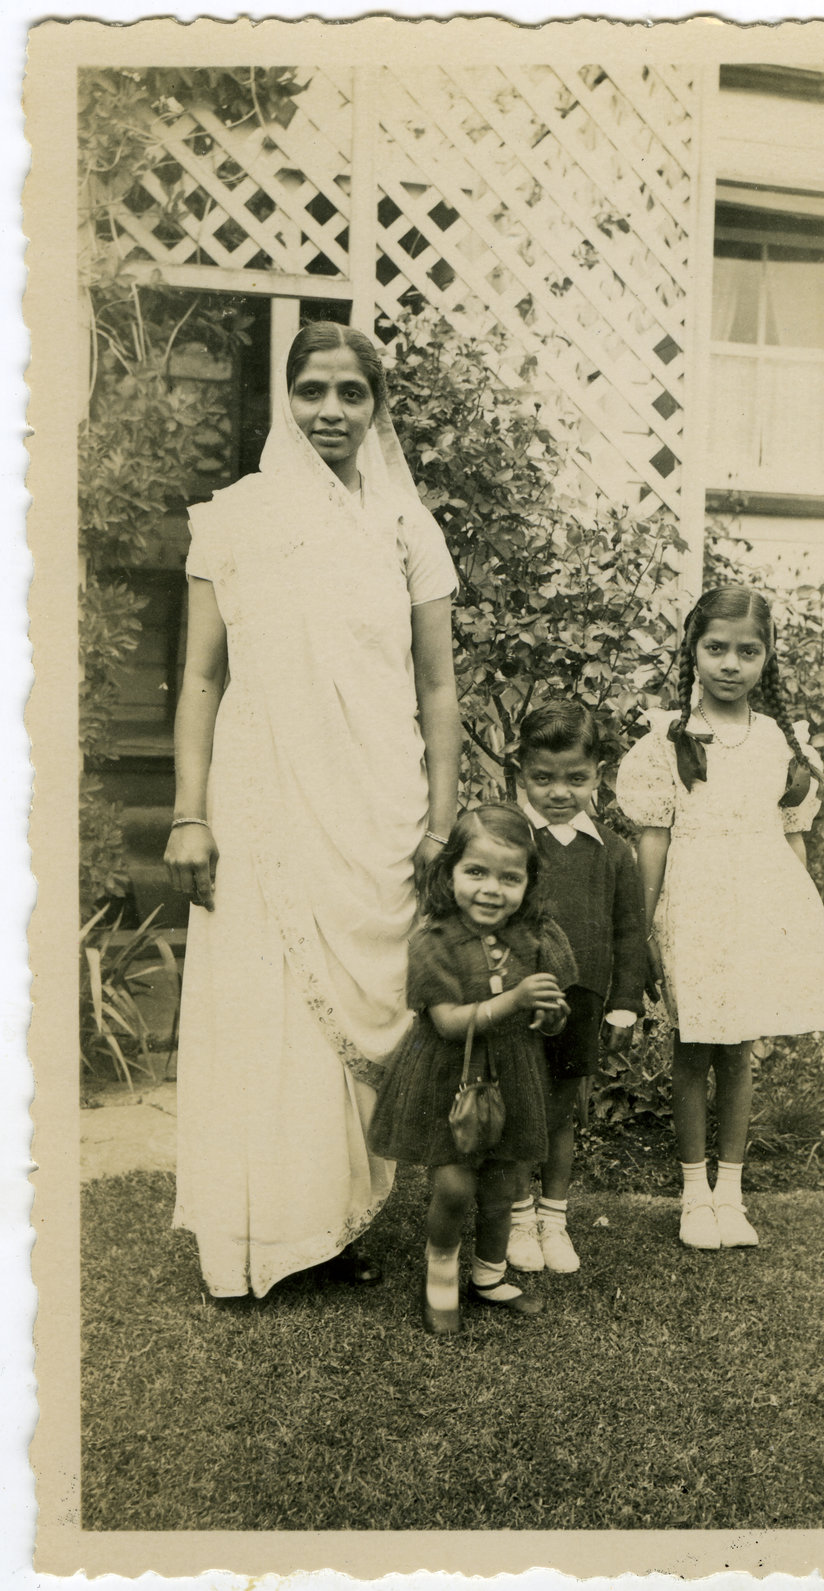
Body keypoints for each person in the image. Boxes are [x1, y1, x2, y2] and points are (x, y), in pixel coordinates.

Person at [163, 322, 462, 1300]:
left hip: (377, 793)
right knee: (265, 1004)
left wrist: (440, 816)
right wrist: (188, 813)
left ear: (379, 407)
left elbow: (438, 684)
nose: (330, 411)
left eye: (351, 393)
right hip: (260, 792)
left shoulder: (408, 529)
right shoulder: (237, 519)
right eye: (312, 391)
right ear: (284, 400)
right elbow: (201, 678)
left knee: (352, 1006)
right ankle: (258, 1236)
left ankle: (326, 1228)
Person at [615, 585, 824, 1251]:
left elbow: (791, 836)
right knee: (692, 1047)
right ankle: (691, 1193)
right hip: (693, 907)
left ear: (766, 658)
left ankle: (731, 1193)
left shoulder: (778, 740)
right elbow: (652, 838)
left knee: (738, 1050)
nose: (729, 663)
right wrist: (644, 925)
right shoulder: (670, 736)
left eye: (747, 651)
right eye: (715, 647)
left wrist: (797, 928)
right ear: (692, 649)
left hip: (755, 909)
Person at [369, 805, 577, 1335]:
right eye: (476, 872)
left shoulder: (533, 938)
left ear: (528, 884)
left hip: (512, 1073)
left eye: (510, 878)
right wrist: (515, 999)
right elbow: (446, 1022)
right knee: (456, 1184)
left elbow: (544, 1020)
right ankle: (439, 1277)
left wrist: (548, 1016)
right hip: (445, 1077)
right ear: (449, 873)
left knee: (503, 1180)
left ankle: (489, 1275)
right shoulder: (433, 941)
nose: (491, 890)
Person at [507, 702, 645, 1274]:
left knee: (561, 1114)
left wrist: (624, 1008)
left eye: (575, 778)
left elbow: (629, 931)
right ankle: (516, 1220)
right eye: (543, 778)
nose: (558, 792)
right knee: (518, 1110)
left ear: (599, 774)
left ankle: (554, 1219)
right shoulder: (510, 840)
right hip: (515, 1003)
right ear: (521, 773)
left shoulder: (612, 851)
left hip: (582, 1001)